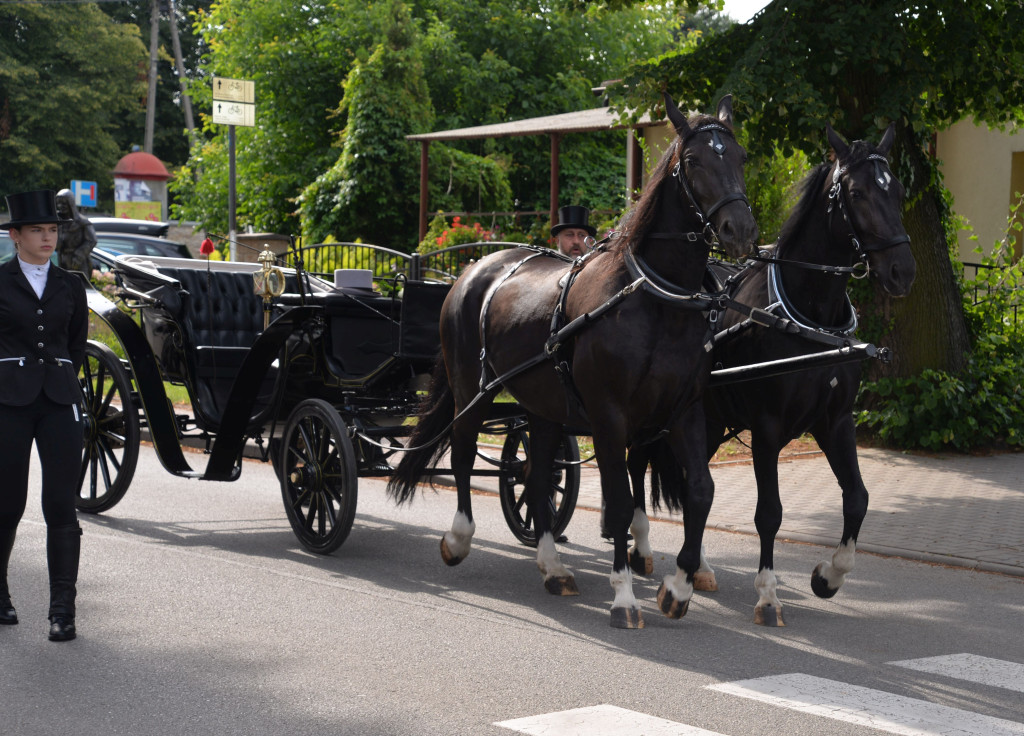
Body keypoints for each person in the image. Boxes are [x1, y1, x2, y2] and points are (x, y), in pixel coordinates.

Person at [0, 190, 89, 642]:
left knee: (60, 505)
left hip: (58, 400)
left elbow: (74, 346)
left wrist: (62, 380)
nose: (47, 237)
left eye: (52, 229)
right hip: (7, 403)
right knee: (7, 504)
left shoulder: (70, 285)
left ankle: (62, 611)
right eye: (37, 230)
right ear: (15, 236)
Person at [54, 189, 97, 274]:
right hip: (62, 261)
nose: (61, 206)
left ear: (71, 203)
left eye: (64, 203)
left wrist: (79, 255)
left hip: (78, 263)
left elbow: (92, 240)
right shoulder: (59, 222)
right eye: (58, 203)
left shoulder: (83, 222)